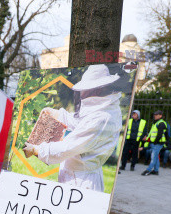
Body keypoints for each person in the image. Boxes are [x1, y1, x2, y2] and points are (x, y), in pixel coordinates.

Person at [23, 64, 122, 192]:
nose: (82, 93)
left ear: (97, 89)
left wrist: (37, 149)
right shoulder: (105, 109)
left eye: (85, 89)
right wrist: (58, 114)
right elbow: (82, 124)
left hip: (82, 183)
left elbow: (68, 147)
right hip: (77, 176)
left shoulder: (102, 118)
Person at [141, 110, 169, 176]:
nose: (155, 116)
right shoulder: (156, 123)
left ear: (160, 116)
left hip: (158, 143)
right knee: (155, 157)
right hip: (155, 143)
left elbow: (159, 134)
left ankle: (148, 170)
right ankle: (156, 171)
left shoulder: (161, 123)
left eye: (156, 115)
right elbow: (153, 134)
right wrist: (149, 140)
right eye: (154, 114)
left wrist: (155, 142)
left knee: (153, 157)